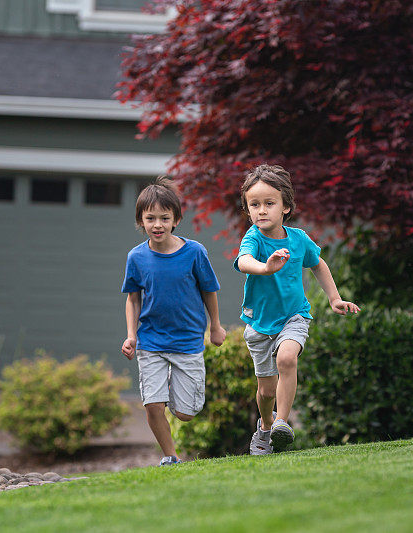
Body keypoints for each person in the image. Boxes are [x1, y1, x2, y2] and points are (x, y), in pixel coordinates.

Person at [234, 164, 360, 454]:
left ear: (286, 207)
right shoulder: (253, 238)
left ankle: (281, 423)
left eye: (269, 203)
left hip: (294, 315)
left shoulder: (299, 238)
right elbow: (243, 262)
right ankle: (265, 427)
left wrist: (334, 298)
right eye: (254, 205)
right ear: (248, 210)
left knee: (287, 359)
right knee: (265, 391)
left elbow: (317, 263)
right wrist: (265, 267)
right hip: (259, 324)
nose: (261, 210)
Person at [121, 176, 226, 465]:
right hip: (151, 340)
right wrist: (131, 335)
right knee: (153, 405)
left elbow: (209, 290)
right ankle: (170, 457)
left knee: (185, 413)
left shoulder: (194, 252)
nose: (157, 224)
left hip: (188, 341)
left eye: (164, 218)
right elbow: (132, 298)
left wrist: (214, 325)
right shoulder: (136, 257)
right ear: (141, 221)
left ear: (176, 219)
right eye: (150, 218)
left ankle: (173, 385)